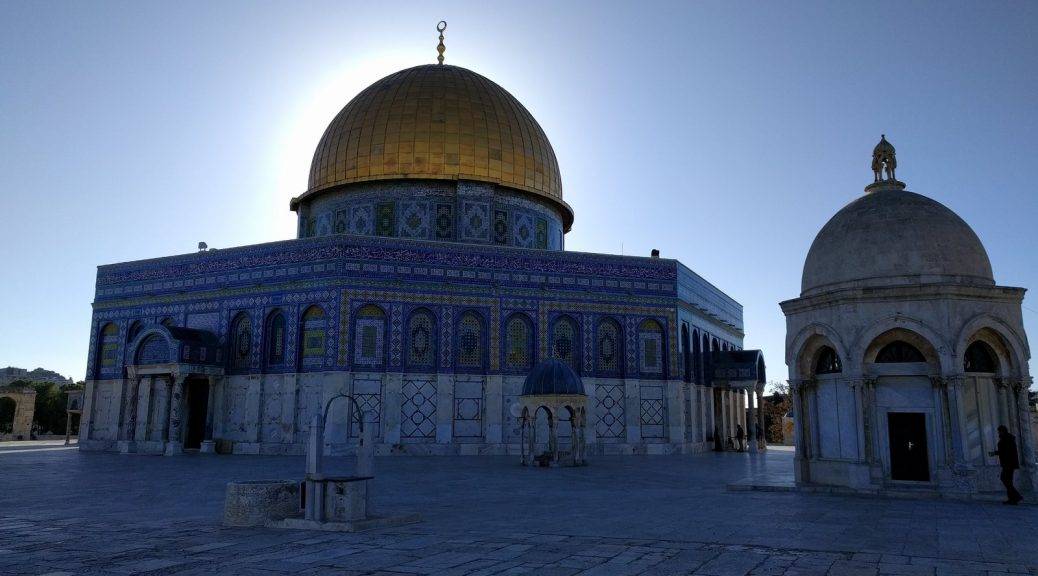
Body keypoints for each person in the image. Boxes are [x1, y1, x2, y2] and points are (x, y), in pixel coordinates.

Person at [989, 425, 1023, 505]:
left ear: (1002, 431)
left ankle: (1016, 496)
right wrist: (995, 453)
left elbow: (1006, 452)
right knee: (1008, 481)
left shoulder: (1007, 439)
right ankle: (1013, 499)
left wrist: (996, 453)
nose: (998, 433)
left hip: (1008, 463)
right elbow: (1003, 451)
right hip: (1009, 463)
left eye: (999, 431)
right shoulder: (1007, 438)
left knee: (1005, 479)